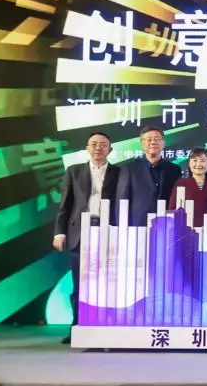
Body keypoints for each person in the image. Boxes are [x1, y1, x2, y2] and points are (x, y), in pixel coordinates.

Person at [53, 132, 121, 344]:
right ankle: (77, 327)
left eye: (103, 144)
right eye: (93, 144)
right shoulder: (74, 171)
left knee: (106, 282)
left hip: (108, 231)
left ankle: (104, 326)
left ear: (110, 149)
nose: (98, 148)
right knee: (80, 283)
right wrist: (59, 232)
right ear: (86, 148)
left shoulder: (119, 172)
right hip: (79, 232)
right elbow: (65, 204)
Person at [167, 147, 207, 227]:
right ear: (189, 163)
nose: (198, 164)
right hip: (185, 229)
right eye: (195, 160)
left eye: (203, 161)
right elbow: (172, 209)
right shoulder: (181, 184)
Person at [134, 124, 183, 204]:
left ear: (163, 143)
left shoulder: (175, 170)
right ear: (142, 144)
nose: (153, 142)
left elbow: (178, 199)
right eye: (149, 139)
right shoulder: (130, 169)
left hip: (167, 212)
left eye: (157, 139)